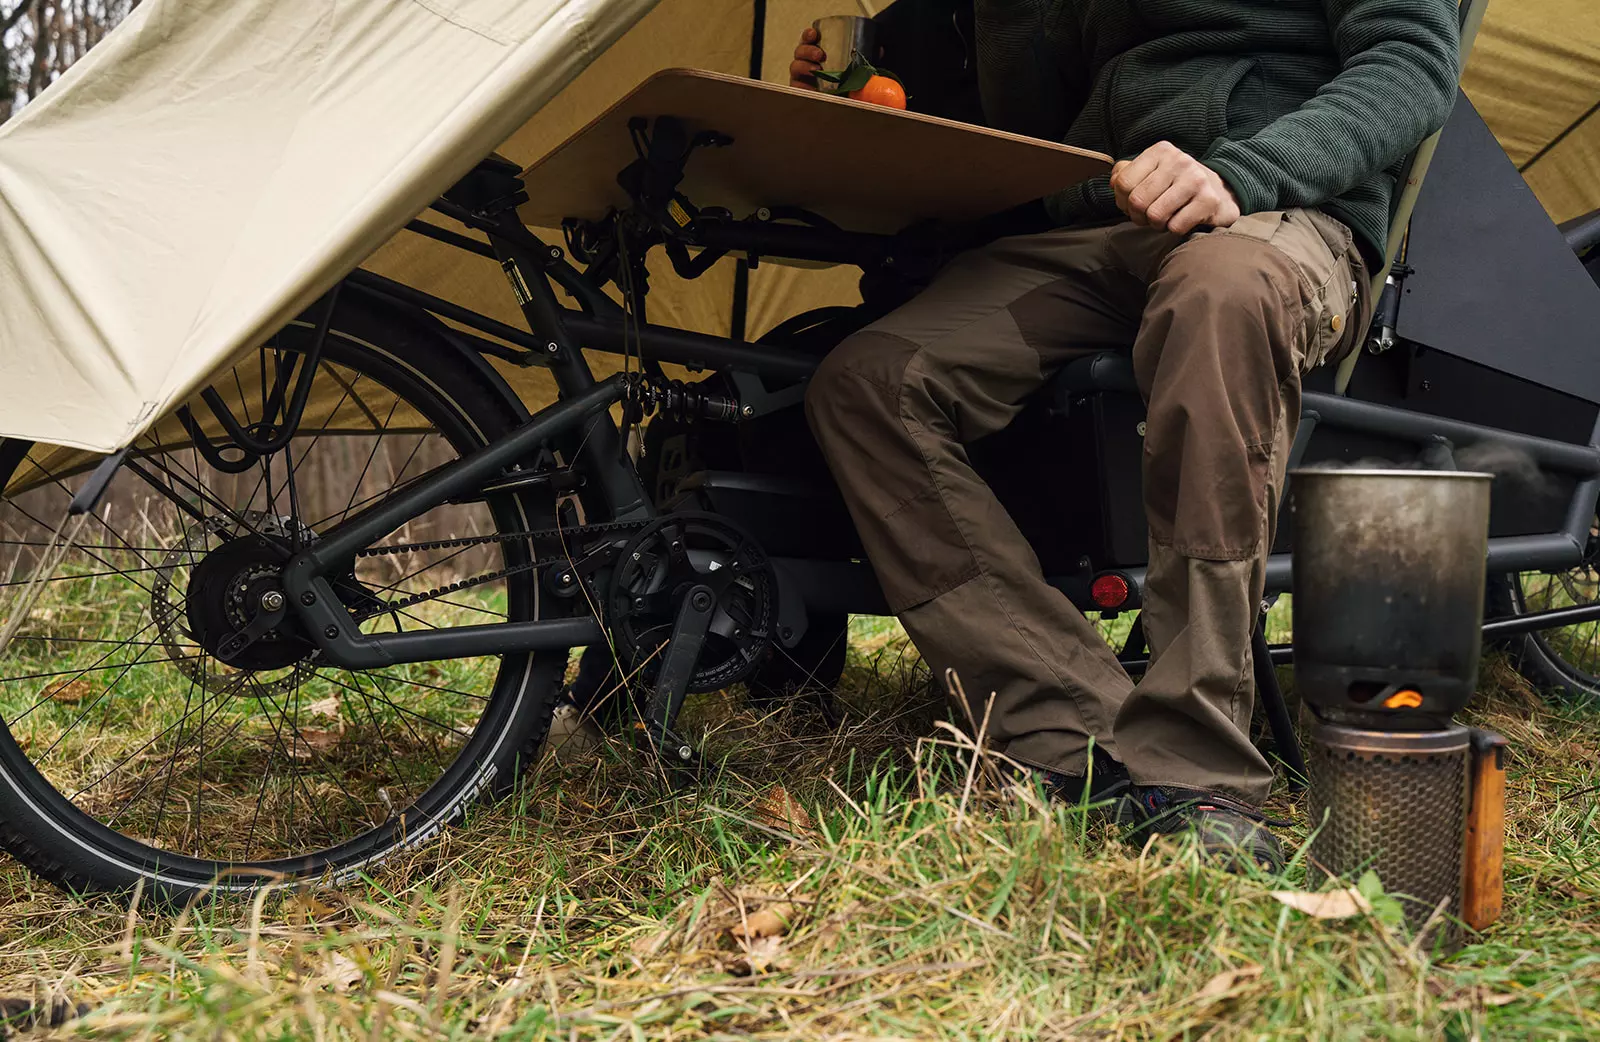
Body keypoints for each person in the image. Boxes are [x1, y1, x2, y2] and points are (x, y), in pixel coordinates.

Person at [791, 0, 1463, 868]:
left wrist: (1244, 174)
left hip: (1282, 213)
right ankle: (1071, 732)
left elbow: (1411, 62)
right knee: (868, 382)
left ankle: (1192, 767)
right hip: (1100, 222)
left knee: (1221, 294)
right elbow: (1029, 117)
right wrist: (877, 71)